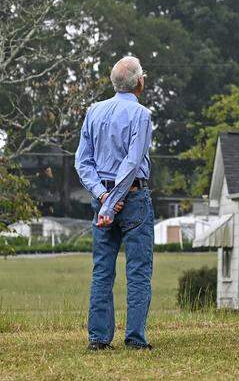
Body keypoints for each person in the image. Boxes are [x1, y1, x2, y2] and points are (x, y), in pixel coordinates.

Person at [75, 56, 155, 351]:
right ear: (139, 82)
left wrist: (102, 197)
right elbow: (132, 162)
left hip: (103, 200)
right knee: (138, 271)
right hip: (132, 198)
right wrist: (114, 201)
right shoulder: (141, 115)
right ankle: (135, 338)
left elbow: (83, 162)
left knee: (102, 270)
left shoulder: (94, 111)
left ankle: (98, 338)